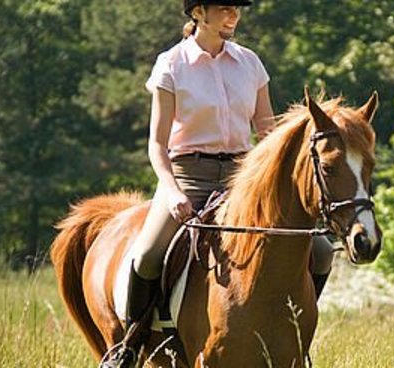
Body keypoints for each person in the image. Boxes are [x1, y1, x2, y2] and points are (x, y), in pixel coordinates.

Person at [101, 1, 335, 366]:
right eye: (224, 8)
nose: (233, 16)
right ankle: (130, 344)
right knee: (147, 255)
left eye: (236, 9)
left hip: (243, 179)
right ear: (198, 13)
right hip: (187, 176)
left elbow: (267, 133)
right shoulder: (172, 65)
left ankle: (294, 330)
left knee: (319, 250)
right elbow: (157, 145)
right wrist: (173, 190)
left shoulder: (250, 64)